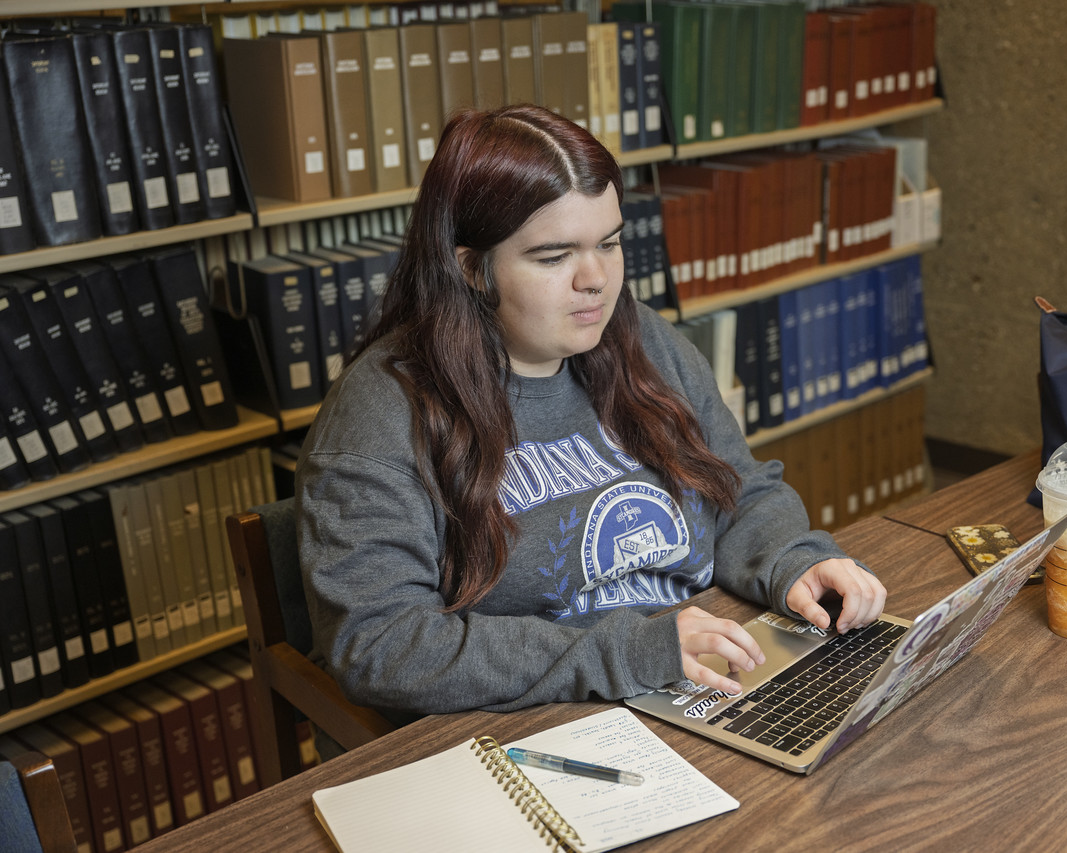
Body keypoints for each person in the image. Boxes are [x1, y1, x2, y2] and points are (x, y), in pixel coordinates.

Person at [296, 104, 886, 724]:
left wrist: (795, 558)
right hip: (543, 715)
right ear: (470, 268)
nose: (597, 280)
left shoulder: (641, 342)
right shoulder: (381, 414)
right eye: (554, 257)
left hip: (701, 667)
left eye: (609, 243)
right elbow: (378, 645)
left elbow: (736, 489)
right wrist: (630, 652)